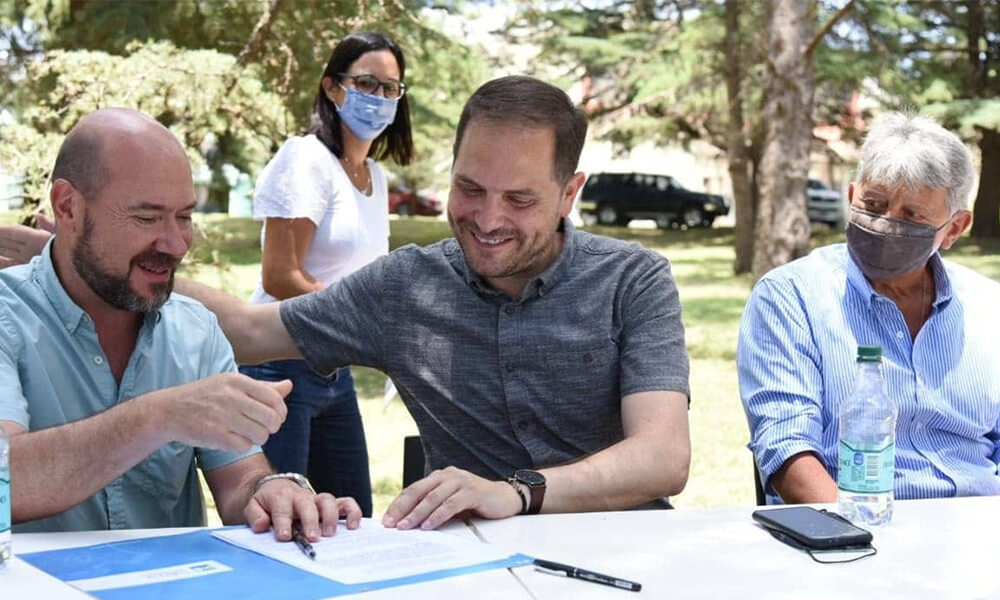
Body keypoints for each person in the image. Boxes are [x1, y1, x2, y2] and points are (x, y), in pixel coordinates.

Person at [177, 75, 692, 530]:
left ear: (568, 193)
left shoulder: (633, 279)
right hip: (471, 567)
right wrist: (138, 258)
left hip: (627, 550)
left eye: (519, 200)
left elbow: (663, 458)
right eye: (469, 188)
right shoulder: (404, 286)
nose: (488, 220)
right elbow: (247, 331)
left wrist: (514, 493)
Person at [0, 108, 362, 539]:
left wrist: (273, 493)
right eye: (146, 218)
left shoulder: (196, 332)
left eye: (185, 216)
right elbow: (7, 478)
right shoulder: (9, 317)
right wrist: (158, 416)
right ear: (68, 207)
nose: (175, 244)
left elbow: (238, 483)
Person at [739, 112, 1000, 505]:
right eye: (873, 205)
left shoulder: (988, 307)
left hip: (975, 533)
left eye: (912, 216)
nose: (885, 225)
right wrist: (861, 534)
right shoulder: (790, 296)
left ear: (954, 228)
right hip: (849, 532)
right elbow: (787, 451)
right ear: (850, 198)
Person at [238, 32, 413, 518]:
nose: (378, 98)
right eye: (366, 84)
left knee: (354, 512)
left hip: (332, 369)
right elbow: (278, 275)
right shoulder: (305, 159)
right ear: (333, 89)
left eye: (390, 89)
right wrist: (355, 327)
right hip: (277, 365)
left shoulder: (373, 176)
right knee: (282, 519)